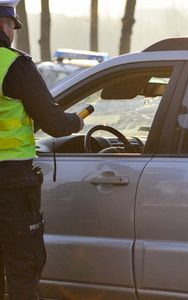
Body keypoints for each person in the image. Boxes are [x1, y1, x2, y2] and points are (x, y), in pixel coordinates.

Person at [0, 1, 84, 299]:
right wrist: (75, 121)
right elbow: (55, 123)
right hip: (10, 183)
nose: (11, 31)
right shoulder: (14, 64)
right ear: (3, 25)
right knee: (23, 265)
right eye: (11, 25)